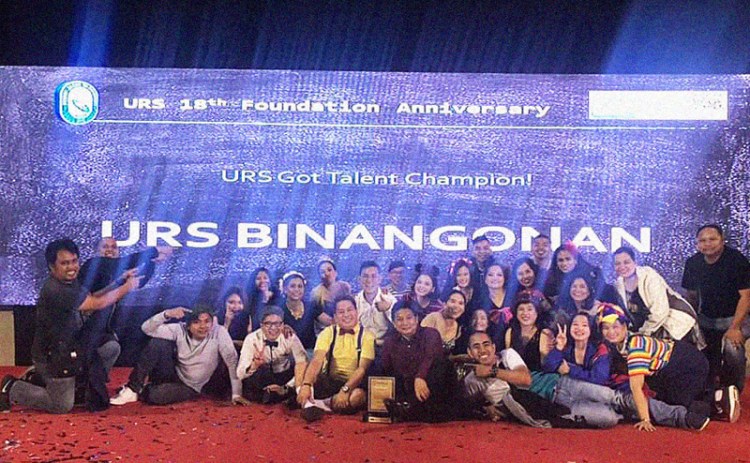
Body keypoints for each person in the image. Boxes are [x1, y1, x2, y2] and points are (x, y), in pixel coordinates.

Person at [2, 239, 141, 414]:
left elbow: (92, 297)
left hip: (72, 346)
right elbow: (96, 303)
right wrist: (127, 287)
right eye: (65, 263)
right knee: (61, 405)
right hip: (54, 355)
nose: (71, 267)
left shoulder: (70, 282)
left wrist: (119, 282)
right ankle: (13, 386)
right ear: (52, 267)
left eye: (74, 261)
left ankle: (80, 387)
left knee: (109, 348)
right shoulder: (56, 289)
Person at [597, 303, 718, 428]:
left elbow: (636, 387)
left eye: (615, 326)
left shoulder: (636, 345)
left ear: (625, 326)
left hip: (686, 363)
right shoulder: (618, 346)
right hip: (669, 368)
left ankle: (714, 401)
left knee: (678, 405)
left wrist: (645, 420)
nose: (611, 332)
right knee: (664, 402)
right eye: (606, 328)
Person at [109, 305, 248, 406]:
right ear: (188, 325)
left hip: (191, 386)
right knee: (158, 342)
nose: (203, 326)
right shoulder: (179, 328)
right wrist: (166, 314)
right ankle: (133, 388)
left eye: (207, 321)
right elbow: (146, 329)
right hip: (174, 372)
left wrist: (237, 394)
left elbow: (232, 362)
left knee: (155, 396)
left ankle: (144, 390)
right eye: (197, 322)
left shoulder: (219, 332)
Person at [77, 237, 172, 376]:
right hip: (79, 329)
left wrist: (151, 263)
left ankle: (95, 380)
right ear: (96, 250)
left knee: (112, 348)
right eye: (105, 247)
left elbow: (139, 281)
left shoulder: (116, 273)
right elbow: (94, 300)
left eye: (114, 247)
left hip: (98, 330)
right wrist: (155, 251)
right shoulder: (92, 265)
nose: (110, 250)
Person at [682, 224, 749, 408]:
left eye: (712, 239)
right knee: (696, 351)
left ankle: (733, 392)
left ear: (722, 240)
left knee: (732, 349)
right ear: (697, 244)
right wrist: (690, 325)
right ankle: (708, 392)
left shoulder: (736, 260)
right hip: (706, 319)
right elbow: (691, 297)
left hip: (738, 318)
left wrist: (735, 328)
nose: (707, 244)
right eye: (702, 241)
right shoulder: (693, 263)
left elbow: (746, 296)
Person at [296, 296, 376, 422]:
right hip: (329, 382)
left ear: (357, 312)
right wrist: (307, 384)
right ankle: (309, 398)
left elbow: (362, 369)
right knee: (304, 371)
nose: (346, 315)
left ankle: (318, 404)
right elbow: (317, 360)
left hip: (353, 384)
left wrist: (345, 390)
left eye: (349, 310)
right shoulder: (328, 332)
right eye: (341, 312)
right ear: (335, 316)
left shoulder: (367, 336)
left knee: (356, 397)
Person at [380, 305, 458, 422]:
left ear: (416, 319)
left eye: (409, 318)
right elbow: (386, 367)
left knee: (443, 365)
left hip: (432, 387)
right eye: (399, 319)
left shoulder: (430, 334)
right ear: (394, 324)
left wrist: (420, 377)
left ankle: (410, 408)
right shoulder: (390, 341)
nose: (405, 323)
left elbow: (429, 357)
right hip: (408, 387)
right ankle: (407, 408)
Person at [613, 246, 700, 343]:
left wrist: (643, 334)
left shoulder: (650, 276)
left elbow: (660, 312)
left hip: (674, 326)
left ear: (635, 262)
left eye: (626, 262)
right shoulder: (618, 284)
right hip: (649, 330)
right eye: (617, 263)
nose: (622, 267)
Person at [237, 306, 308, 403]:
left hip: (285, 376)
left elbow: (302, 363)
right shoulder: (252, 339)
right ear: (261, 325)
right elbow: (239, 374)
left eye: (277, 323)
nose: (273, 328)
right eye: (268, 324)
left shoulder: (290, 336)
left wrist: (286, 387)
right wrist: (254, 365)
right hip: (261, 377)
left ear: (283, 324)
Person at [543, 242, 615, 304]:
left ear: (576, 260)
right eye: (560, 260)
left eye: (568, 259)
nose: (564, 263)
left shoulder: (593, 275)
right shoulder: (552, 281)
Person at [503, 296, 554, 372]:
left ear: (537, 312)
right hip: (515, 375)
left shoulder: (545, 333)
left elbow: (546, 365)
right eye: (521, 309)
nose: (525, 313)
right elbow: (508, 360)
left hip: (538, 375)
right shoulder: (510, 332)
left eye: (530, 309)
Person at [355, 261, 397, 347]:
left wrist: (388, 309)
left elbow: (400, 324)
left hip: (386, 345)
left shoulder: (390, 299)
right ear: (359, 279)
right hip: (361, 345)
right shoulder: (355, 302)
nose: (369, 280)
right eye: (365, 276)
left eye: (373, 276)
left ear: (380, 279)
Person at [279, 271, 323, 350]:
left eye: (300, 286)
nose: (297, 289)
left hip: (311, 351)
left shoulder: (311, 306)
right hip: (287, 352)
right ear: (285, 289)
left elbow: (329, 322)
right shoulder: (278, 309)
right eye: (292, 286)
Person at [310, 258, 351, 334]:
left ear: (335, 272)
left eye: (329, 270)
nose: (327, 274)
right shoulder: (316, 293)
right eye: (323, 272)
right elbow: (321, 319)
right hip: (325, 331)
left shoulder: (345, 287)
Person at [421, 290, 466, 355]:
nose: (456, 306)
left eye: (461, 303)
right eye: (453, 301)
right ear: (444, 304)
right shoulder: (433, 318)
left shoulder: (458, 328)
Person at [441, 258, 477, 324]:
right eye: (459, 275)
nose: (462, 278)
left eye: (465, 274)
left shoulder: (476, 292)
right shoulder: (449, 294)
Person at [246, 267, 279, 332]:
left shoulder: (278, 298)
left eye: (265, 278)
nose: (262, 281)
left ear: (270, 280)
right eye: (258, 279)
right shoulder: (250, 300)